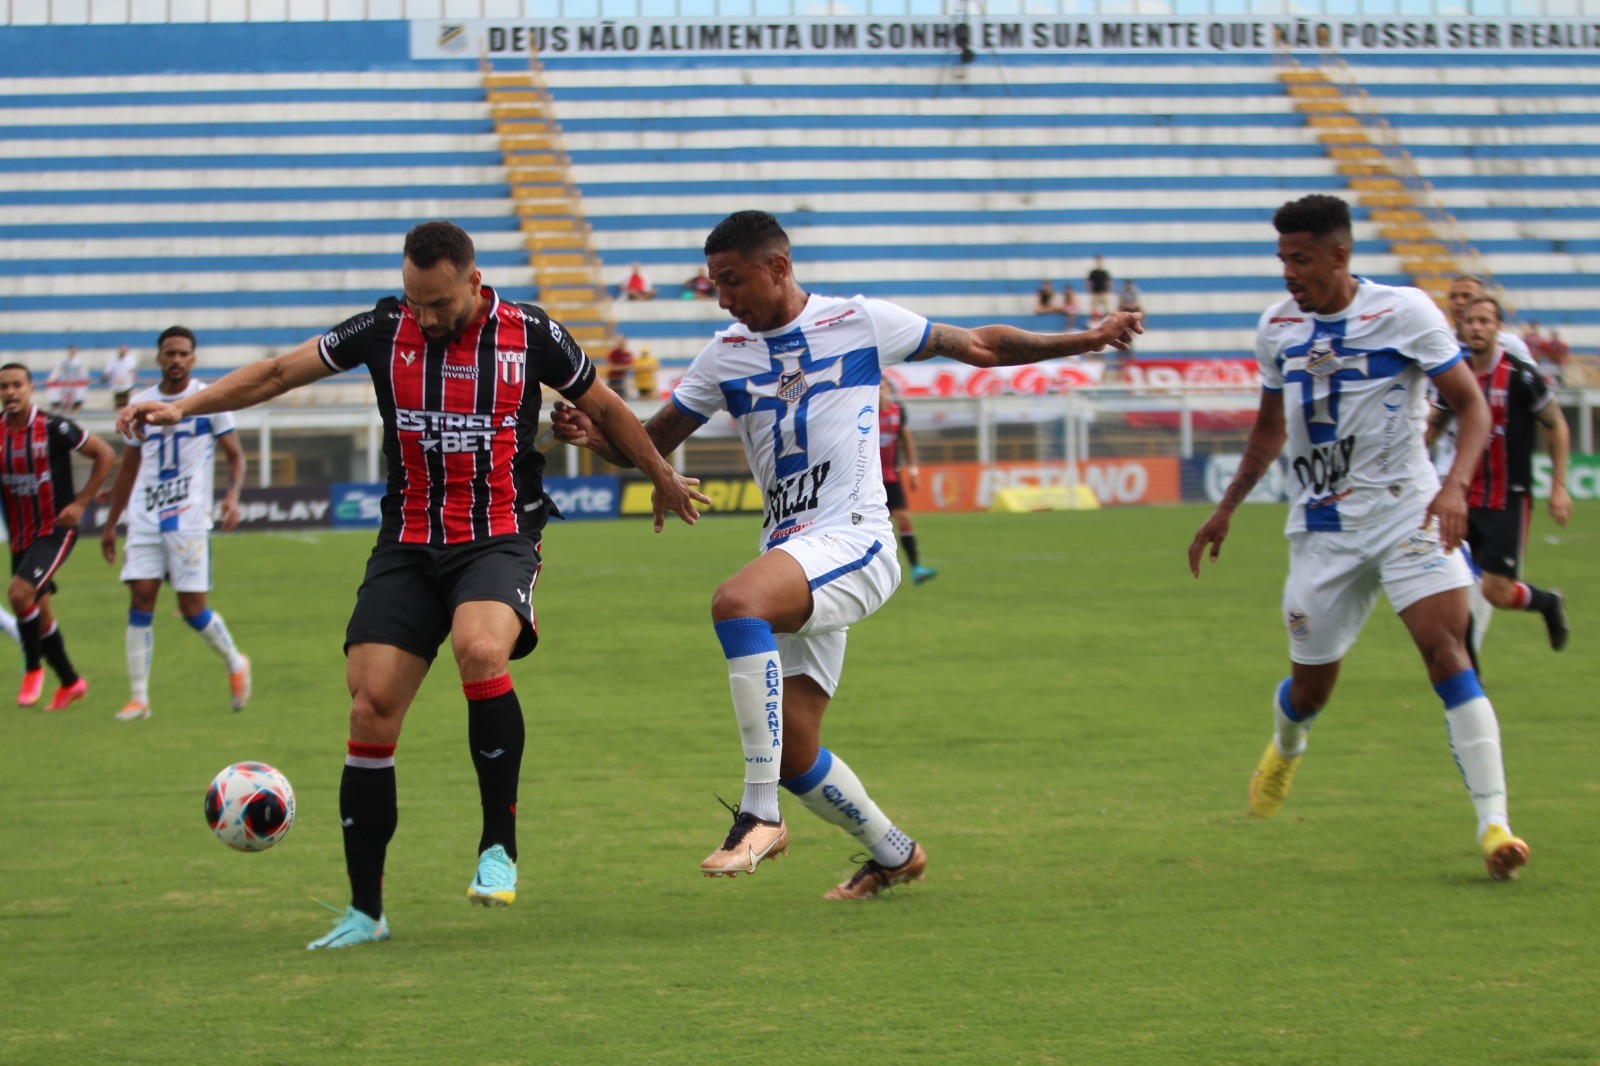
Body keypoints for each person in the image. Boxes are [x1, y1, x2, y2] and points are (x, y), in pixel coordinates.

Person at [119, 221, 707, 950]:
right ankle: (366, 911)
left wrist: (662, 476)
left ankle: (498, 846)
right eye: (413, 301)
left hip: (496, 533)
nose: (424, 318)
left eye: (438, 304)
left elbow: (612, 407)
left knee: (480, 650)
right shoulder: (382, 326)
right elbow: (276, 373)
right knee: (370, 709)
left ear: (473, 282)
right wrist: (181, 408)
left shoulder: (531, 333)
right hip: (406, 543)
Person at [552, 210, 1141, 898]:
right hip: (794, 553)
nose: (723, 298)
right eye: (715, 284)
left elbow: (978, 344)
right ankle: (895, 853)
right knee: (797, 751)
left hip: (856, 539)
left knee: (736, 604)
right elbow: (652, 443)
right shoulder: (724, 354)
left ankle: (758, 813)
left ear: (778, 267)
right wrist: (601, 442)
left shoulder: (858, 321)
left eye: (733, 280)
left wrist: (1087, 338)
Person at [1188, 194, 1529, 882]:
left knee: (1447, 652)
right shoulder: (1276, 327)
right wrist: (1227, 506)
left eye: (1301, 258)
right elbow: (1268, 428)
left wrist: (1454, 485)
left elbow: (1469, 406)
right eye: (1282, 257)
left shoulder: (1405, 313)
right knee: (1310, 691)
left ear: (1340, 256)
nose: (1288, 271)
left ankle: (1495, 826)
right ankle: (1288, 743)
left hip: (1410, 515)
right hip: (1322, 532)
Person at [99, 326, 251, 722]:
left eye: (183, 353)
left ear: (193, 359)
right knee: (141, 598)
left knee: (191, 607)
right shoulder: (140, 403)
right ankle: (139, 699)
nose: (176, 359)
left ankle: (235, 661)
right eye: (169, 353)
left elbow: (236, 457)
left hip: (188, 518)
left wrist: (232, 495)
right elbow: (129, 467)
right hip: (145, 515)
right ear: (159, 358)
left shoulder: (211, 400)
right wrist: (110, 522)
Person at [1427, 296, 1570, 658]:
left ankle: (1548, 603)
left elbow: (1556, 426)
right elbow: (1434, 426)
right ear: (1462, 327)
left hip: (1508, 498)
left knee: (1497, 592)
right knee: (1453, 588)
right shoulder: (1454, 374)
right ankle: (1470, 677)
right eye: (1471, 321)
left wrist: (1559, 488)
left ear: (1497, 328)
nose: (1477, 327)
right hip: (1462, 496)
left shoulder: (1521, 375)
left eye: (1485, 321)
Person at [1, 363, 115, 710]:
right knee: (41, 614)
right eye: (4, 387)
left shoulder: (54, 427)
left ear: (30, 388)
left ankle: (33, 668)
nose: (10, 392)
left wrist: (81, 503)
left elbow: (104, 454)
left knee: (19, 594)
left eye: (16, 385)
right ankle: (70, 681)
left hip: (55, 530)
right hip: (21, 536)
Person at [879, 380, 935, 585]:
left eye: (882, 388)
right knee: (872, 523)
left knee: (903, 517)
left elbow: (906, 439)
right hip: (869, 478)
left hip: (892, 476)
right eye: (876, 387)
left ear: (890, 391)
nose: (879, 392)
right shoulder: (865, 412)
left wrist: (913, 469)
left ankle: (916, 568)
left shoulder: (897, 411)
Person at [46, 345, 90, 413]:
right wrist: (50, 379)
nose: (72, 352)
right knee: (64, 404)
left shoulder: (79, 362)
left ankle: (74, 415)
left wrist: (86, 379)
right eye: (71, 351)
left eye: (74, 351)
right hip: (65, 386)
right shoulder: (63, 362)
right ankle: (64, 415)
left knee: (76, 403)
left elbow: (83, 373)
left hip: (75, 386)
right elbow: (56, 371)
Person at [103, 344, 139, 410]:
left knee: (126, 403)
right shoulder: (113, 360)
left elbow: (133, 370)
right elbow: (108, 370)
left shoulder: (130, 359)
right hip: (116, 386)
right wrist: (105, 377)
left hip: (126, 385)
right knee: (118, 404)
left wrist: (135, 378)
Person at [1086, 256, 1113, 320]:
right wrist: (1090, 290)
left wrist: (1108, 290)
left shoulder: (1105, 272)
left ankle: (1107, 321)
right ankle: (1094, 322)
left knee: (1106, 309)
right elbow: (1089, 282)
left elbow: (1109, 282)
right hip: (1095, 293)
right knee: (1094, 309)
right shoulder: (1093, 272)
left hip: (1103, 292)